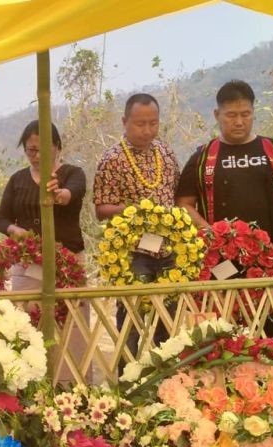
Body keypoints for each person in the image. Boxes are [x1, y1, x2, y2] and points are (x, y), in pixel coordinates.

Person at [176, 80, 273, 338]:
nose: (239, 122)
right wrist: (212, 235)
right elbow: (184, 204)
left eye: (245, 114)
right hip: (221, 264)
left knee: (270, 334)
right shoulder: (203, 157)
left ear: (253, 112)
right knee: (222, 333)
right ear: (217, 115)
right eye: (231, 115)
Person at [93, 94, 181, 370]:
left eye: (153, 123)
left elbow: (177, 197)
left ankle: (168, 381)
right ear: (124, 122)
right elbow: (101, 208)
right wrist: (136, 210)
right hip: (132, 253)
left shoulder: (166, 153)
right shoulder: (112, 159)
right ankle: (128, 384)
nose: (147, 130)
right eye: (140, 124)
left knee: (168, 320)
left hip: (168, 251)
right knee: (130, 321)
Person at [0, 120, 86, 290]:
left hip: (69, 260)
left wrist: (58, 195)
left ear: (56, 146)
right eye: (31, 150)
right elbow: (1, 219)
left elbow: (71, 193)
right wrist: (15, 230)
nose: (37, 156)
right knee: (27, 306)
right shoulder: (17, 179)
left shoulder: (73, 173)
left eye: (42, 150)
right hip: (28, 263)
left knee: (72, 305)